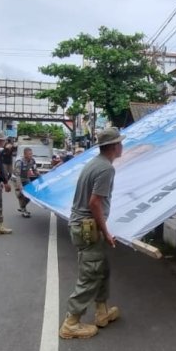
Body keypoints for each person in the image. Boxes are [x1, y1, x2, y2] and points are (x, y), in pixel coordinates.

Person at [59, 127, 124, 339]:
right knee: (90, 275)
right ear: (114, 146)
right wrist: (105, 231)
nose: (122, 146)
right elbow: (95, 202)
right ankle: (71, 323)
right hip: (88, 228)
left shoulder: (95, 163)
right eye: (120, 143)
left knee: (102, 269)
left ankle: (102, 312)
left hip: (85, 225)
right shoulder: (105, 169)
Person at [12, 147, 38, 218]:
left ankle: (22, 207)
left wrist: (41, 178)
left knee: (31, 193)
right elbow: (17, 175)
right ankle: (24, 210)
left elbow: (35, 170)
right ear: (25, 155)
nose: (31, 155)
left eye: (31, 154)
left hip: (25, 178)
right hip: (17, 178)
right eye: (29, 154)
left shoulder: (32, 160)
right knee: (20, 195)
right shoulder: (19, 162)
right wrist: (20, 186)